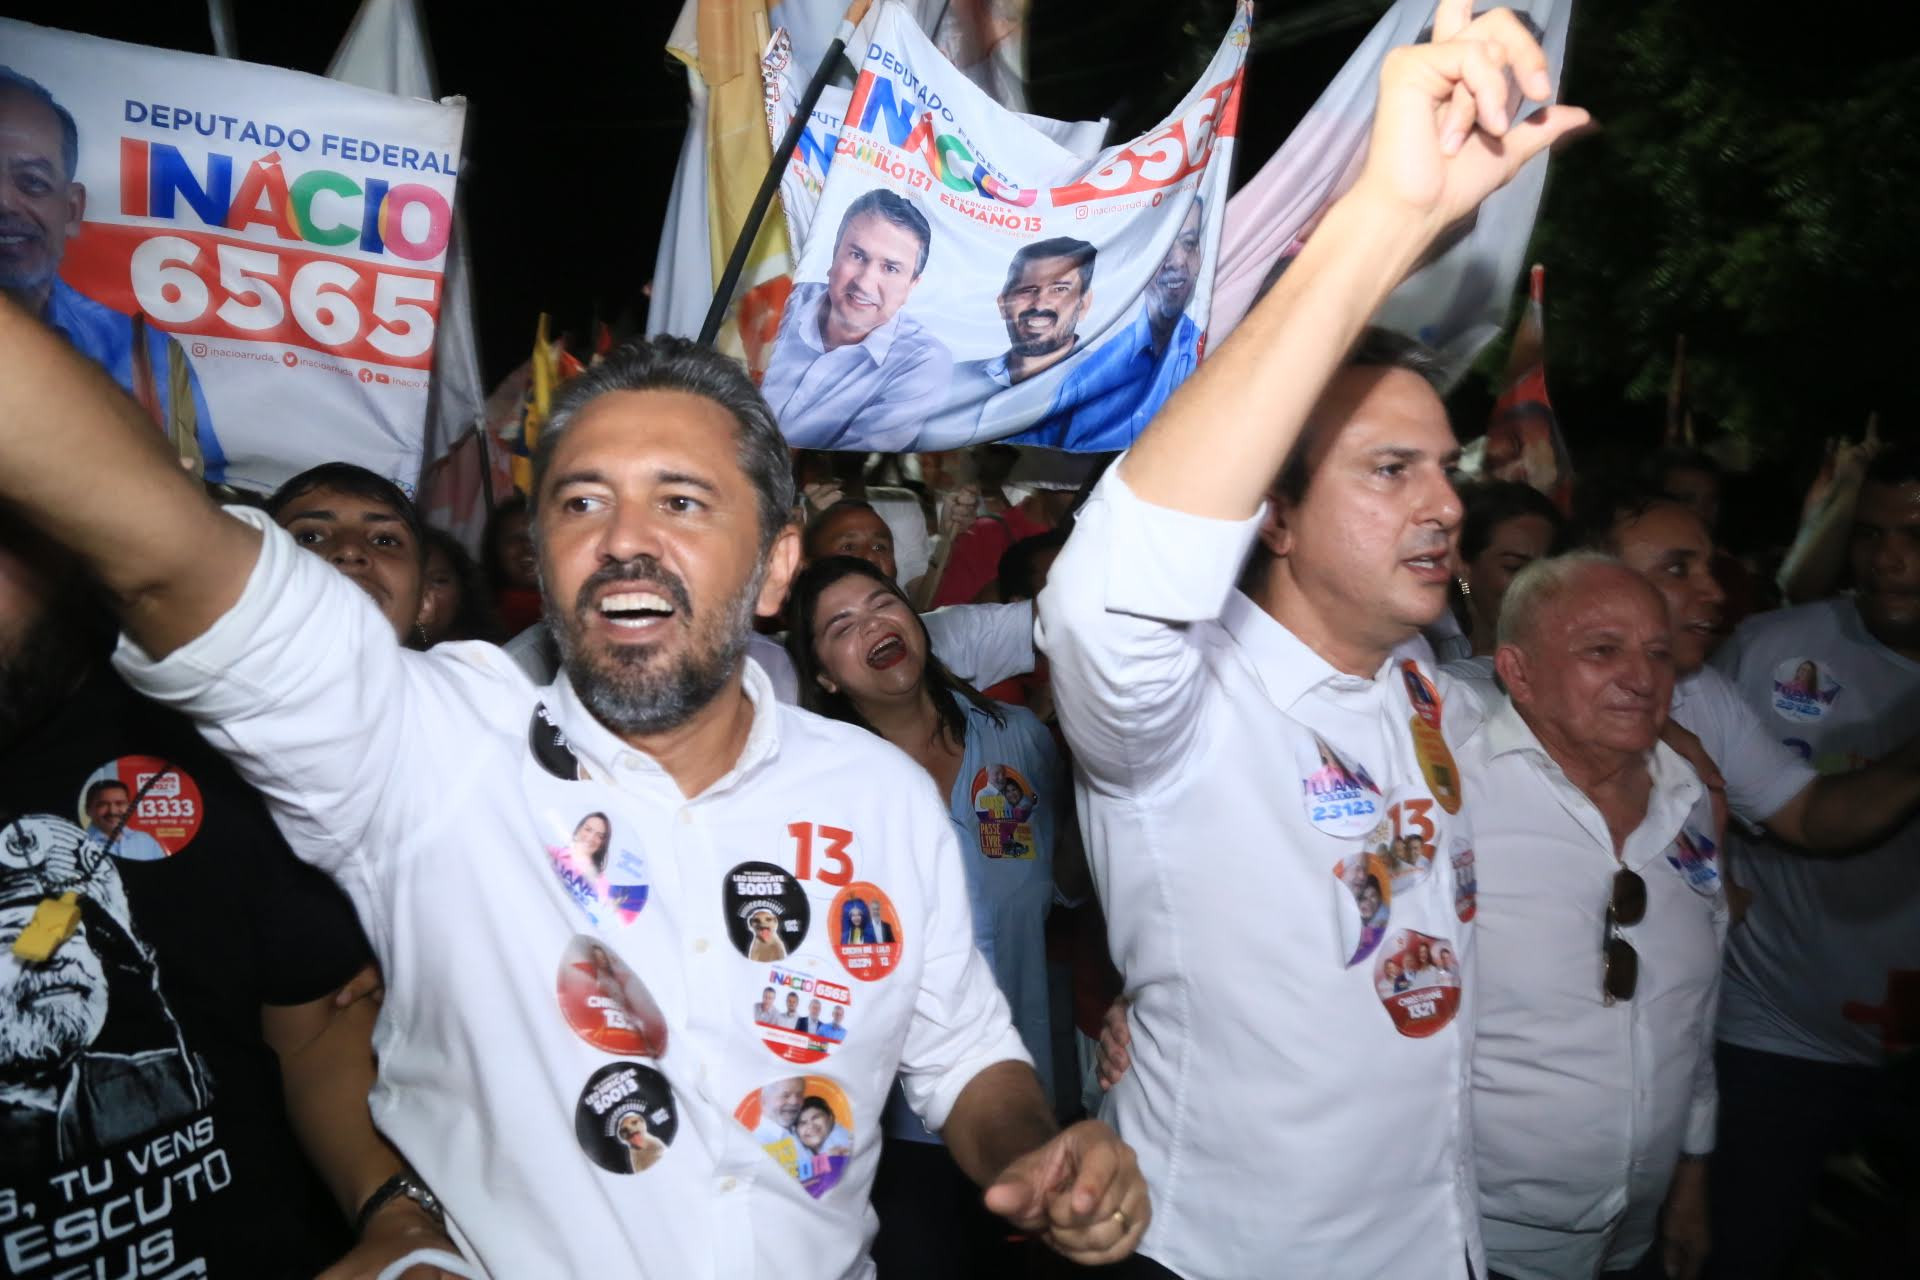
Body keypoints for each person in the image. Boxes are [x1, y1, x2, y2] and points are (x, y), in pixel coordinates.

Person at [0, 307, 1153, 1272]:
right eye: (582, 501)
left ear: (777, 569)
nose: (624, 539)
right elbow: (162, 546)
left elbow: (964, 1060)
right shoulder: (427, 750)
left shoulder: (879, 794)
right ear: (541, 555)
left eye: (683, 501)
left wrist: (1032, 1152)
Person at [1033, 6, 1588, 1274]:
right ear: (1270, 514)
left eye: (1443, 469)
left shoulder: (1418, 686)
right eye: (1390, 469)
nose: (1446, 503)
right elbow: (1100, 604)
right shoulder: (1175, 718)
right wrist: (1383, 220)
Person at [0, 510, 455, 1275]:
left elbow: (308, 1028)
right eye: (311, 535)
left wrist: (395, 1215)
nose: (348, 556)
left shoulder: (201, 739)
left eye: (384, 540)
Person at [789, 553, 1085, 1279]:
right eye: (841, 626)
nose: (873, 626)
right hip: (894, 1130)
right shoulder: (823, 797)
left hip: (1031, 1094)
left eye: (883, 604)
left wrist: (1098, 776)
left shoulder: (1018, 738)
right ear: (825, 675)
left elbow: (1067, 890)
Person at [1466, 554, 1722, 1280]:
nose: (1642, 678)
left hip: (1636, 1235)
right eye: (1602, 651)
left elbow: (1692, 1010)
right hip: (1481, 1240)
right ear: (1517, 672)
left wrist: (1692, 1179)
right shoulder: (1452, 797)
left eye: (1659, 653)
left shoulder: (1689, 795)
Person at [1699, 444, 1920, 1279]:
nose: (1889, 558)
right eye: (1869, 534)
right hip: (1774, 1037)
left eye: (1915, 534)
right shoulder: (1770, 649)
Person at [0, 67, 221, 478]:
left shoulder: (148, 355)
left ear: (71, 210)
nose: (5, 203)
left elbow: (197, 505)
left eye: (31, 183)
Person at [761, 188, 954, 450]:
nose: (864, 282)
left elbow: (845, 467)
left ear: (912, 286)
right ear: (834, 255)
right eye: (857, 255)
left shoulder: (922, 361)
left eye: (890, 268)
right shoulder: (777, 299)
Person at [1025, 199, 1205, 452]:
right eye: (1163, 243)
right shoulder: (1085, 374)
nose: (1177, 261)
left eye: (1188, 243)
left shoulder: (1215, 352)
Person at [916, 237, 1099, 450]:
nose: (1039, 303)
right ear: (1003, 304)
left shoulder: (1105, 381)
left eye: (1059, 289)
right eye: (1027, 289)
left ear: (1084, 304)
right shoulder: (949, 379)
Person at [1455, 480, 1568, 656]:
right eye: (1515, 568)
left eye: (1548, 571)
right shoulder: (1426, 656)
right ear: (1463, 568)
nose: (1535, 584)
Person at [418, 527, 501, 646]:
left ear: (463, 589)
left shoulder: (492, 656)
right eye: (412, 582)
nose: (424, 594)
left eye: (439, 581)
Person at [481, 494, 541, 635]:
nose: (528, 546)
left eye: (536, 535)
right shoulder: (479, 622)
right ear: (494, 549)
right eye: (514, 539)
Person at [78, 775, 169, 861]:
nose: (112, 811)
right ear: (88, 810)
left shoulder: (146, 841)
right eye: (103, 804)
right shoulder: (77, 843)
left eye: (119, 803)